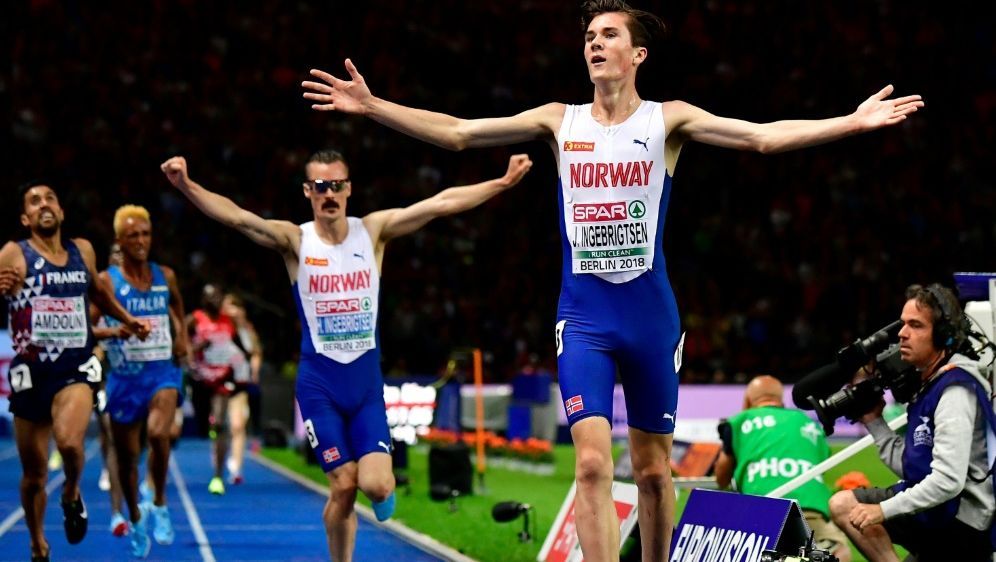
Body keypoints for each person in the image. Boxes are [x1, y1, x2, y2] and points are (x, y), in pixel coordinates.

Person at [301, 1, 923, 559]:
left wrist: (850, 122)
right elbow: (462, 133)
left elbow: (761, 139)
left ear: (637, 54)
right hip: (586, 319)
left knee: (654, 475)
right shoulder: (558, 120)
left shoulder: (667, 120)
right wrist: (374, 106)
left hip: (651, 319)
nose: (594, 45)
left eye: (608, 35)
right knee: (594, 463)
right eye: (589, 38)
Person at [161, 150, 531, 561]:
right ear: (308, 191)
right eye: (320, 186)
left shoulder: (372, 232)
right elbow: (237, 217)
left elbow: (439, 204)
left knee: (376, 486)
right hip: (319, 385)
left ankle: (381, 491)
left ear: (349, 188)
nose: (329, 193)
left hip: (366, 387)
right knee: (342, 484)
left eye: (337, 184)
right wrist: (186, 185)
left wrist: (501, 183)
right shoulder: (296, 241)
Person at [0, 181, 150, 562]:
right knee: (33, 473)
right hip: (31, 371)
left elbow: (100, 294)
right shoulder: (14, 254)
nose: (44, 204)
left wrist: (128, 320)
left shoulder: (81, 250)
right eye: (34, 202)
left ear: (62, 212)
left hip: (75, 364)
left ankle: (70, 492)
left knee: (69, 443)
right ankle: (37, 543)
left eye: (50, 198)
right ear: (25, 218)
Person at [829, 284, 995, 562]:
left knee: (846, 504)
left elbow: (947, 482)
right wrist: (874, 422)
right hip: (943, 512)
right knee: (846, 505)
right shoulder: (931, 384)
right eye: (903, 324)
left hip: (963, 522)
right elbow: (914, 467)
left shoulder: (955, 391)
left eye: (915, 325)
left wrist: (882, 510)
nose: (902, 334)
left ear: (942, 336)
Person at [96, 205, 190, 558]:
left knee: (159, 434)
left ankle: (161, 501)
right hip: (123, 380)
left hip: (161, 372)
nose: (140, 241)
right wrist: (114, 331)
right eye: (132, 235)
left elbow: (178, 306)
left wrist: (181, 338)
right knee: (126, 460)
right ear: (120, 240)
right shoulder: (106, 281)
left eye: (146, 234)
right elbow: (86, 327)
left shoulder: (166, 275)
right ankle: (136, 516)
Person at [715, 375, 851, 562]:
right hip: (810, 510)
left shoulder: (739, 421)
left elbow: (721, 478)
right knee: (838, 552)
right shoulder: (808, 423)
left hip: (761, 511)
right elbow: (821, 462)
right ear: (781, 400)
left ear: (748, 400)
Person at [187, 283, 239, 496]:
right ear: (203, 300)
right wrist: (198, 348)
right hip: (200, 379)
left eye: (218, 296)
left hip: (222, 378)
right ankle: (209, 426)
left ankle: (217, 476)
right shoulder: (194, 319)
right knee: (204, 425)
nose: (215, 300)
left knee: (219, 422)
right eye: (210, 297)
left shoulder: (229, 321)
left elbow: (238, 345)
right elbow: (183, 347)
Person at [221, 291, 263, 485]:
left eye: (235, 306)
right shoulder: (218, 329)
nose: (232, 310)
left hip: (240, 384)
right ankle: (219, 463)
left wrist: (254, 371)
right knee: (221, 427)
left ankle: (236, 467)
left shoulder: (248, 331)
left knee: (238, 426)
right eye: (229, 306)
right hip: (220, 384)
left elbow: (256, 353)